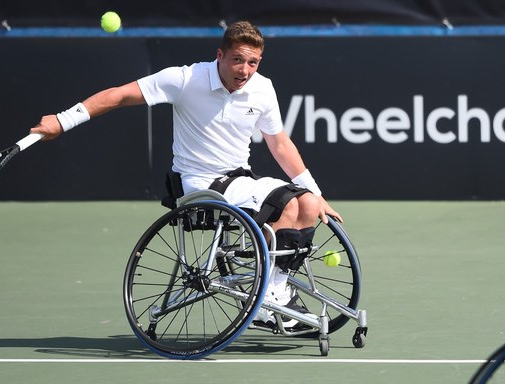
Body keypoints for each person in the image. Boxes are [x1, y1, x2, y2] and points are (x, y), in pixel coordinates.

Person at [29, 20, 339, 325]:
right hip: (200, 184)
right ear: (220, 55)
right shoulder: (185, 79)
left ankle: (272, 289)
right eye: (237, 60)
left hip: (240, 180)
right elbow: (118, 96)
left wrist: (318, 192)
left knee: (309, 203)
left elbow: (280, 144)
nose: (244, 70)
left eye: (253, 62)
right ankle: (267, 300)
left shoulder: (262, 89)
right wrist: (62, 120)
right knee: (294, 204)